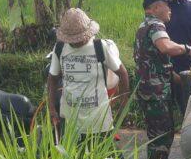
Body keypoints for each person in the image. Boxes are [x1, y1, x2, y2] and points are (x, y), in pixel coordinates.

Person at [135, 0, 191, 159]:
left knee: (163, 134)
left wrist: (178, 78)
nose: (170, 10)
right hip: (155, 93)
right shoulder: (155, 25)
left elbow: (154, 60)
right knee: (160, 137)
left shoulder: (143, 26)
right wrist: (187, 49)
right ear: (155, 8)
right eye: (166, 5)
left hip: (150, 90)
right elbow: (165, 47)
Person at [47, 8, 129, 145]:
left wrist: (123, 102)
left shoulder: (100, 47)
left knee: (106, 156)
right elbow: (52, 78)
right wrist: (51, 107)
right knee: (72, 156)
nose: (76, 42)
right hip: (70, 118)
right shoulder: (60, 48)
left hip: (99, 121)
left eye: (79, 38)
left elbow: (123, 73)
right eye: (72, 40)